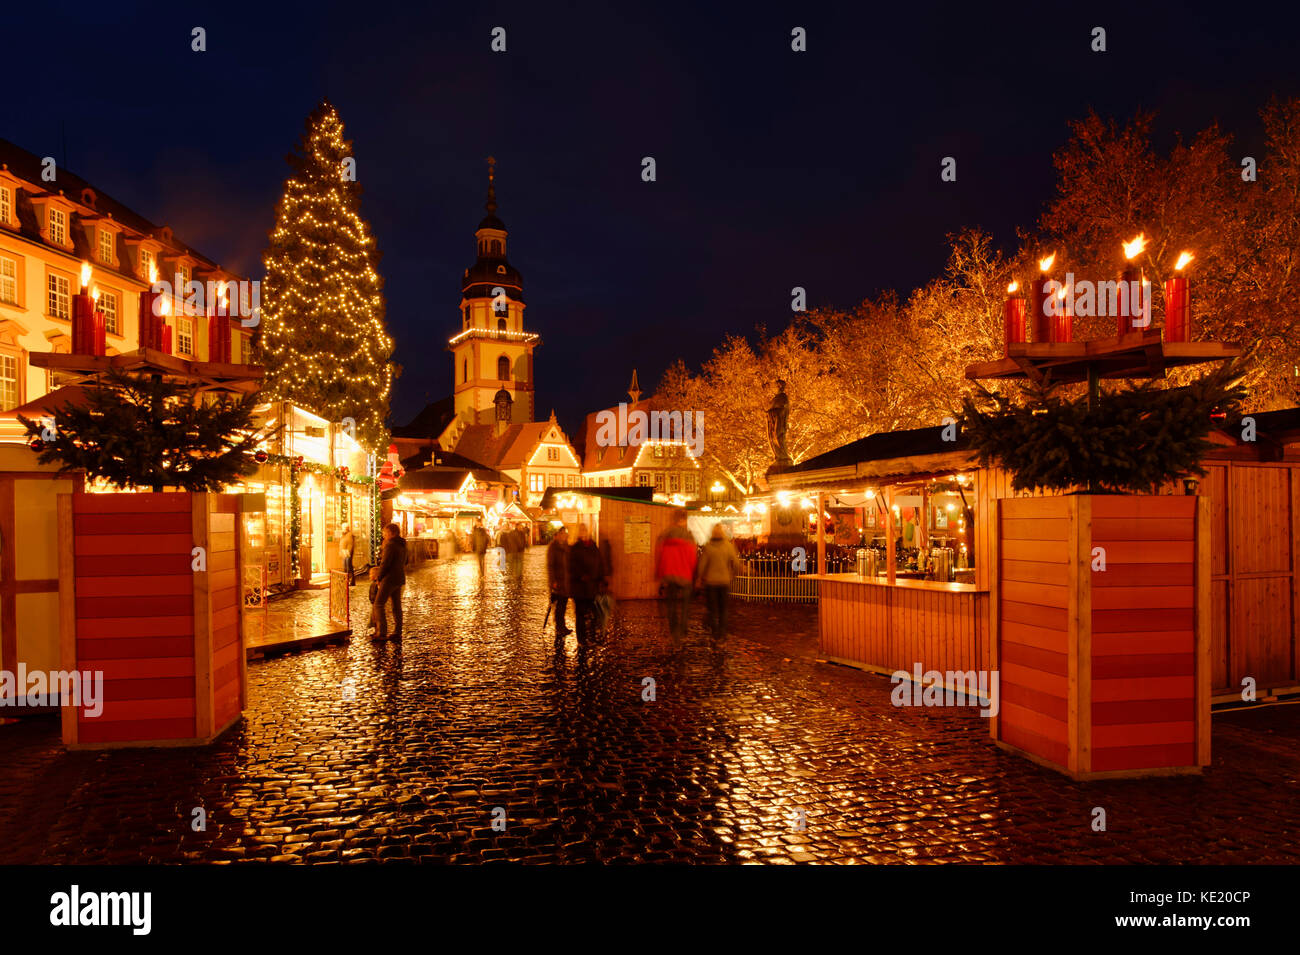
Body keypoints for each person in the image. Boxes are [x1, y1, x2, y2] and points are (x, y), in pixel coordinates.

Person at [655, 507, 697, 641]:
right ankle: (682, 632)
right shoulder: (689, 536)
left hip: (670, 574)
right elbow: (693, 558)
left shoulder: (665, 534)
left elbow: (659, 554)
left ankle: (674, 632)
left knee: (671, 605)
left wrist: (659, 572)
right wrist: (694, 575)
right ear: (684, 520)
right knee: (685, 606)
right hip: (685, 575)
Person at [696, 523, 741, 643]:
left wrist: (700, 577)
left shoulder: (708, 547)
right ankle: (722, 633)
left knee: (712, 610)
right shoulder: (728, 546)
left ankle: (715, 633)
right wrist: (733, 574)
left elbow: (702, 565)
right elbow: (736, 563)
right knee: (723, 610)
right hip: (724, 582)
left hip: (711, 582)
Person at [566, 523, 604, 645]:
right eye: (582, 530)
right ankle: (581, 639)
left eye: (585, 530)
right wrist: (581, 575)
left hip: (592, 586)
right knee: (581, 614)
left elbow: (599, 562)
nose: (584, 532)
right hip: (580, 587)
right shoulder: (575, 548)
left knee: (594, 613)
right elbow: (571, 566)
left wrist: (601, 578)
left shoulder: (593, 546)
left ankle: (592, 636)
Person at [373, 522, 406, 642]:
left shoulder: (390, 545)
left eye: (385, 533)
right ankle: (397, 631)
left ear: (392, 533)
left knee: (378, 604)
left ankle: (381, 632)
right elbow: (405, 561)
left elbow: (385, 563)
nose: (383, 535)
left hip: (389, 578)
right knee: (396, 606)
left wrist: (379, 577)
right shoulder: (402, 544)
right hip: (399, 578)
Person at [546, 525, 572, 639]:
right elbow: (550, 566)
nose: (564, 536)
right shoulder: (553, 547)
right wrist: (553, 581)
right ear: (558, 535)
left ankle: (562, 626)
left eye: (565, 534)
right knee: (559, 606)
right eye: (562, 534)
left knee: (563, 604)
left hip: (566, 581)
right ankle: (559, 627)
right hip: (558, 581)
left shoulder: (566, 546)